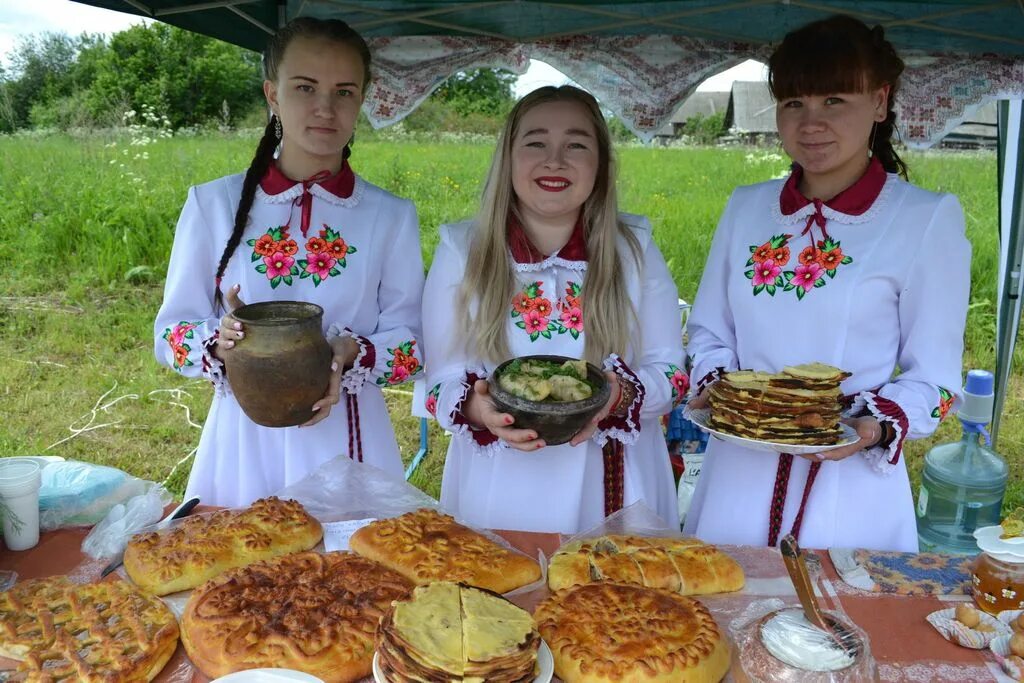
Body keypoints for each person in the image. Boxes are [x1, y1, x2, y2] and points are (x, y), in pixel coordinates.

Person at [683, 15, 971, 552]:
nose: (811, 123)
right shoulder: (747, 208)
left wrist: (872, 427)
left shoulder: (923, 218)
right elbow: (706, 331)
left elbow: (934, 378)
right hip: (737, 473)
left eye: (835, 100)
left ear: (880, 103)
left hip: (848, 482)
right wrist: (728, 390)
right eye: (795, 103)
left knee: (837, 629)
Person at [154, 18, 424, 507]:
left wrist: (350, 352)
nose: (325, 107)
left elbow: (413, 344)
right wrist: (222, 342)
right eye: (305, 87)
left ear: (363, 98)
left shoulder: (391, 216)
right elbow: (170, 334)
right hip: (243, 437)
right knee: (241, 567)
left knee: (354, 575)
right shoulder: (212, 204)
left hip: (349, 434)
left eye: (344, 91)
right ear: (272, 94)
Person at [421, 86, 686, 534]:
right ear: (508, 157)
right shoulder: (462, 248)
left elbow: (672, 374)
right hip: (500, 482)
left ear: (600, 164)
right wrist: (478, 410)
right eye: (536, 142)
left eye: (577, 144)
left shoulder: (633, 248)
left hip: (613, 484)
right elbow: (440, 382)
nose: (555, 160)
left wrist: (617, 396)